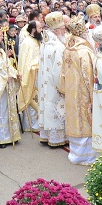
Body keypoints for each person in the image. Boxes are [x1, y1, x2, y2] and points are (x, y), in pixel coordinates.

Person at [59, 18, 96, 165]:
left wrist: (63, 89)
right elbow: (89, 76)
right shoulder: (84, 51)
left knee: (74, 120)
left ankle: (75, 153)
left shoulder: (67, 48)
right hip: (83, 94)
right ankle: (86, 156)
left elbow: (62, 72)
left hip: (70, 92)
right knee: (85, 122)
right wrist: (94, 96)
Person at [38, 12, 68, 148]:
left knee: (48, 106)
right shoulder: (58, 46)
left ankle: (46, 135)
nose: (64, 31)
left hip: (46, 83)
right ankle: (56, 138)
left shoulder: (45, 43)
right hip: (55, 84)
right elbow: (58, 71)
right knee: (56, 108)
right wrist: (63, 87)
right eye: (62, 29)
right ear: (56, 31)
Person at [16, 18, 43, 134]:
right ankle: (30, 124)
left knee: (38, 99)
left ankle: (37, 123)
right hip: (31, 75)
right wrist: (37, 64)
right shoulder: (27, 43)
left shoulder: (37, 40)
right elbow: (25, 62)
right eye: (39, 28)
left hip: (38, 75)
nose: (41, 30)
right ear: (33, 29)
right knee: (31, 98)